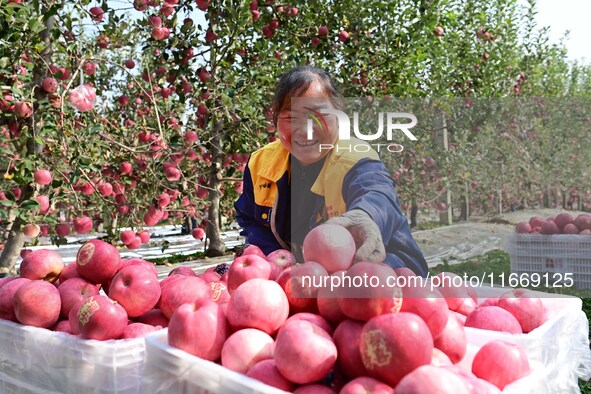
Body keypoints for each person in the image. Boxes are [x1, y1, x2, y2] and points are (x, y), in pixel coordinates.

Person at [234, 66, 428, 277]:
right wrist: (275, 262)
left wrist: (364, 216)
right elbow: (250, 218)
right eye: (290, 118)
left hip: (385, 267)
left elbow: (376, 191)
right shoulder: (261, 163)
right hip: (309, 282)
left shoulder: (355, 158)